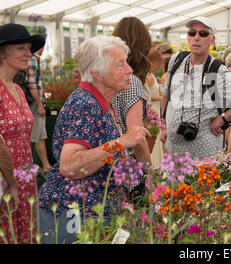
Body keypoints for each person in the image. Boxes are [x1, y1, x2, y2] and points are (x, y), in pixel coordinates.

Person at [38, 35, 150, 244]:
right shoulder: (85, 104)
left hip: (91, 213)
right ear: (97, 74)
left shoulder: (98, 102)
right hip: (75, 216)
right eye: (120, 64)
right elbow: (69, 165)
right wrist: (122, 141)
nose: (129, 69)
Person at [160, 16, 231, 159]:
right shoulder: (176, 60)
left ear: (212, 40)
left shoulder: (218, 71)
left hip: (204, 153)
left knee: (203, 182)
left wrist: (222, 119)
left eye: (203, 33)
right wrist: (164, 125)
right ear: (187, 38)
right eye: (192, 33)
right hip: (173, 150)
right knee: (172, 181)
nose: (196, 37)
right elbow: (166, 94)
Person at [0, 23, 46, 243]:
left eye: (29, 48)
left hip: (25, 179)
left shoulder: (18, 88)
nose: (29, 53)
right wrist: (10, 182)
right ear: (2, 52)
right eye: (21, 48)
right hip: (4, 181)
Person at [111, 17, 152, 169]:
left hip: (108, 159)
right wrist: (150, 174)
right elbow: (137, 139)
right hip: (126, 166)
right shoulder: (131, 82)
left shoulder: (108, 77)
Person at [26, 45, 52, 174]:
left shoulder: (34, 60)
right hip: (35, 103)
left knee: (41, 135)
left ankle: (46, 166)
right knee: (35, 136)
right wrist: (39, 104)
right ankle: (30, 167)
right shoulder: (32, 60)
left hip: (37, 102)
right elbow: (32, 84)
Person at [144, 50, 165, 166]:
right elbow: (147, 96)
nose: (159, 67)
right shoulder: (148, 77)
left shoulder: (151, 75)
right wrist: (162, 98)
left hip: (155, 110)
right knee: (153, 139)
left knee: (155, 139)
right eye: (158, 64)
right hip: (152, 109)